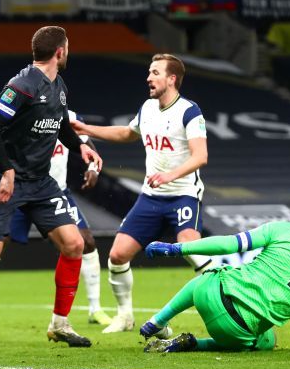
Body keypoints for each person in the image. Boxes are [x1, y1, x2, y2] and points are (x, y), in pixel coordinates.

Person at [0, 26, 102, 351]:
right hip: (2, 180)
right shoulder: (22, 85)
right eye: (67, 47)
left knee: (74, 244)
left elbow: (58, 128)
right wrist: (7, 171)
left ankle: (60, 324)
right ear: (60, 51)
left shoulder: (59, 86)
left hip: (40, 183)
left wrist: (80, 147)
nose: (68, 52)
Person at [71, 53, 212, 334]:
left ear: (172, 79)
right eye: (149, 72)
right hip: (150, 197)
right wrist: (87, 129)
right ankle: (125, 316)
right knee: (118, 255)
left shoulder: (189, 111)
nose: (149, 77)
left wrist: (170, 175)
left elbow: (201, 156)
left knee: (192, 250)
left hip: (183, 194)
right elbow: (127, 134)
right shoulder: (147, 108)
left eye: (156, 72)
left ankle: (228, 303)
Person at [140, 190, 290, 353]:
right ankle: (196, 344)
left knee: (211, 276)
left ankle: (157, 321)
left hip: (209, 294)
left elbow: (229, 245)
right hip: (237, 331)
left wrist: (177, 248)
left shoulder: (282, 229)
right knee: (267, 340)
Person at [8, 110, 112, 326]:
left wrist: (92, 168)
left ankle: (95, 309)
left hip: (55, 193)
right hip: (20, 189)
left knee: (87, 242)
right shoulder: (23, 110)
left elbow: (87, 145)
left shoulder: (69, 116)